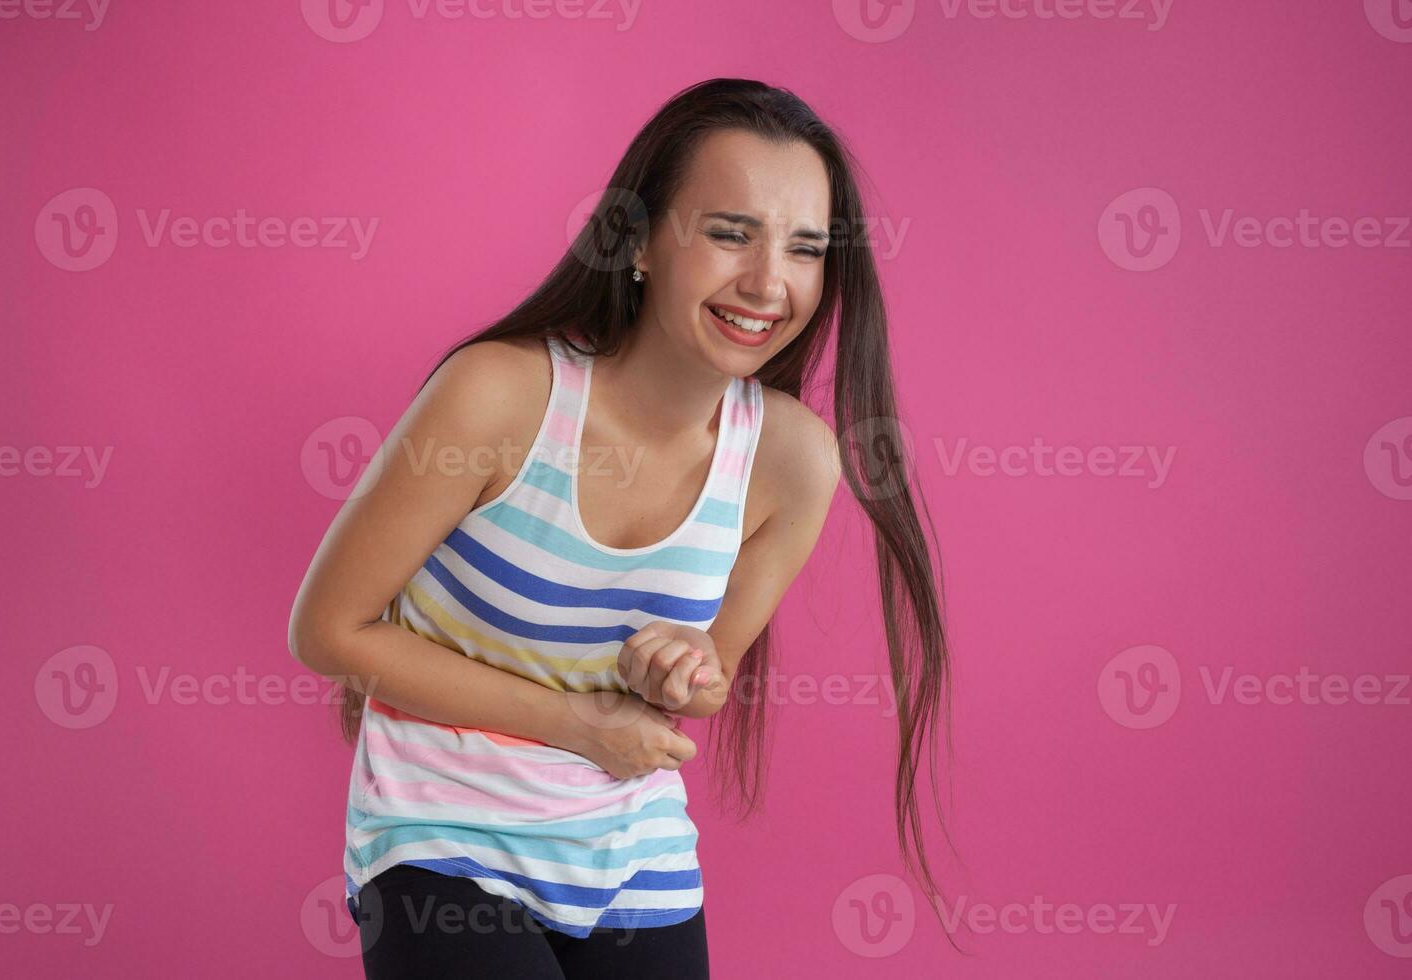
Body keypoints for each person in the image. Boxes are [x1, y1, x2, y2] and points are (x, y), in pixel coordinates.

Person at [288, 77, 955, 978]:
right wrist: (578, 725)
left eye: (805, 248)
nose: (767, 283)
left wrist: (685, 669)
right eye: (729, 233)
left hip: (626, 847)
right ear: (636, 241)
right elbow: (329, 631)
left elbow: (704, 681)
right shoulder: (500, 396)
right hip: (440, 831)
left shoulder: (794, 462)